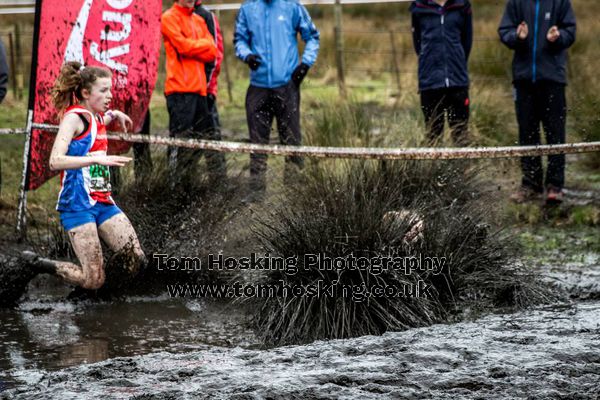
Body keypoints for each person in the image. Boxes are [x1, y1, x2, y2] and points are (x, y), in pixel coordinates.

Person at [21, 62, 146, 290]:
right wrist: (95, 159)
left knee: (136, 259)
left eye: (111, 90)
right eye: (103, 91)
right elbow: (55, 160)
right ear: (86, 93)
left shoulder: (96, 116)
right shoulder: (74, 118)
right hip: (77, 205)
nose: (110, 96)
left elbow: (100, 123)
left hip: (103, 201)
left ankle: (112, 297)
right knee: (93, 280)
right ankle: (38, 264)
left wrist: (115, 114)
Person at [234, 0, 320, 195]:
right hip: (258, 88)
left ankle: (294, 194)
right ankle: (256, 195)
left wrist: (305, 65)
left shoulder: (292, 7)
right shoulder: (248, 9)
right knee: (257, 143)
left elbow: (313, 36)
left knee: (292, 141)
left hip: (286, 87)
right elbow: (239, 39)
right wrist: (247, 55)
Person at [499, 0, 576, 204]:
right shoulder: (516, 3)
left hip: (552, 79)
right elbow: (504, 31)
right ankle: (531, 184)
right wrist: (517, 37)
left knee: (555, 132)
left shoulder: (560, 2)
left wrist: (558, 37)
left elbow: (571, 31)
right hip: (524, 80)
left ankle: (554, 186)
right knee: (527, 132)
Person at [161, 0, 219, 188]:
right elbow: (182, 47)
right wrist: (199, 46)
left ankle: (188, 183)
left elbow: (212, 52)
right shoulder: (169, 17)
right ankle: (174, 186)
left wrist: (193, 46)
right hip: (179, 91)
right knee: (179, 142)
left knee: (201, 139)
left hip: (200, 90)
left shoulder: (199, 20)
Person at [410, 0, 473, 145]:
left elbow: (466, 42)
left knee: (461, 136)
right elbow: (418, 44)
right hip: (430, 83)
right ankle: (435, 169)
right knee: (433, 136)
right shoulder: (419, 7)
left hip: (457, 82)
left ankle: (462, 168)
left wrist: (456, 62)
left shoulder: (462, 6)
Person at [194, 0, 226, 179]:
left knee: (211, 136)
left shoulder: (206, 16)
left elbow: (216, 54)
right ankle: (187, 181)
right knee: (187, 137)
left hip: (205, 90)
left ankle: (219, 182)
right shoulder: (174, 16)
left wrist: (207, 86)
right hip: (185, 90)